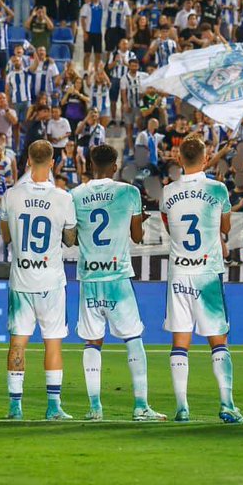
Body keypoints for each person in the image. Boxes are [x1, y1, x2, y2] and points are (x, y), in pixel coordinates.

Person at [68, 144, 167, 422]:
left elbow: (72, 237)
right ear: (115, 166)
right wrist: (138, 221)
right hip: (118, 277)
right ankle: (140, 406)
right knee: (133, 338)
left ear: (90, 165)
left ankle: (95, 408)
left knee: (92, 341)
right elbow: (137, 236)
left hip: (89, 276)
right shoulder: (129, 192)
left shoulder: (75, 195)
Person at [158, 134, 243, 423]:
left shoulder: (168, 192)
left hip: (180, 271)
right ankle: (227, 404)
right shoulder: (218, 189)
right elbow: (226, 225)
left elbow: (169, 226)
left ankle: (182, 407)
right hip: (207, 273)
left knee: (180, 341)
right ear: (206, 159)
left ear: (179, 159)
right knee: (218, 340)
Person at [0, 140, 78, 421]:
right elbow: (70, 240)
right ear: (53, 162)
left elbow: (6, 236)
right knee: (53, 343)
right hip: (51, 282)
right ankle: (53, 406)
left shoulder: (10, 196)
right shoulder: (63, 198)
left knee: (18, 342)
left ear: (28, 161)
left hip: (21, 281)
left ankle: (15, 406)